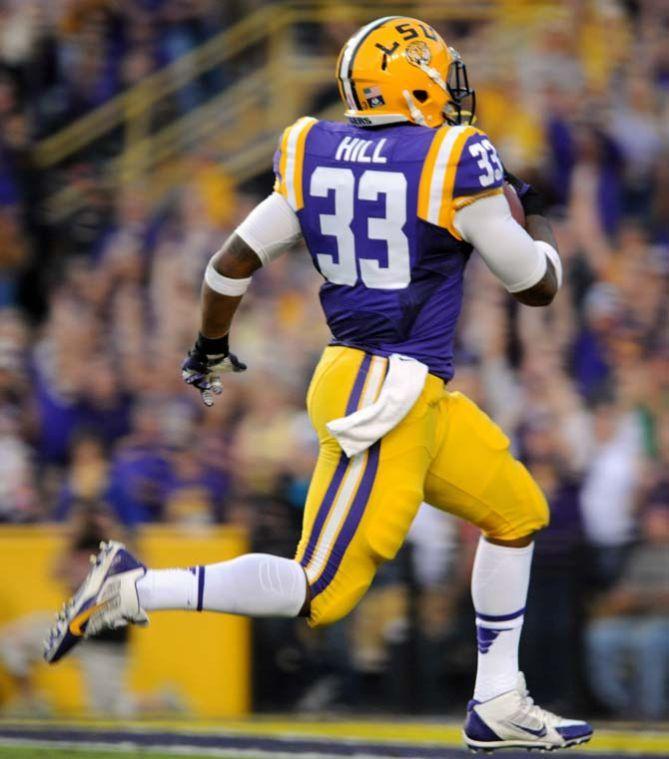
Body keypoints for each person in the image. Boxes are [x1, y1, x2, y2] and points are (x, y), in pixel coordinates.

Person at [44, 16, 592, 751]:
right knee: (320, 590)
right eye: (439, 72)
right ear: (414, 79)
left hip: (392, 385)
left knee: (515, 510)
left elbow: (229, 263)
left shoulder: (312, 146)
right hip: (385, 391)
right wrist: (545, 238)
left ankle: (497, 698)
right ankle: (131, 587)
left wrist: (210, 347)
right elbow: (532, 285)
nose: (453, 89)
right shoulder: (453, 155)